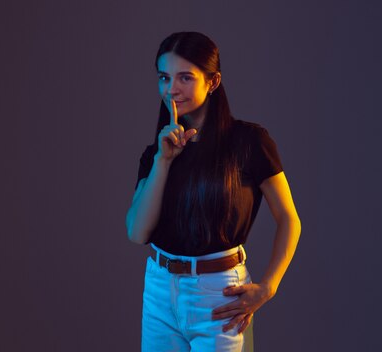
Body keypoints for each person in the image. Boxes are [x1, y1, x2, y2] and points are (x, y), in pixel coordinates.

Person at [125, 31, 301, 351]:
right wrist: (163, 162)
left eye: (185, 78)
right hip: (159, 291)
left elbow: (289, 218)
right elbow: (137, 232)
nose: (171, 89)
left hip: (219, 295)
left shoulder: (250, 141)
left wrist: (269, 286)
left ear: (213, 81)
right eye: (164, 78)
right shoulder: (156, 152)